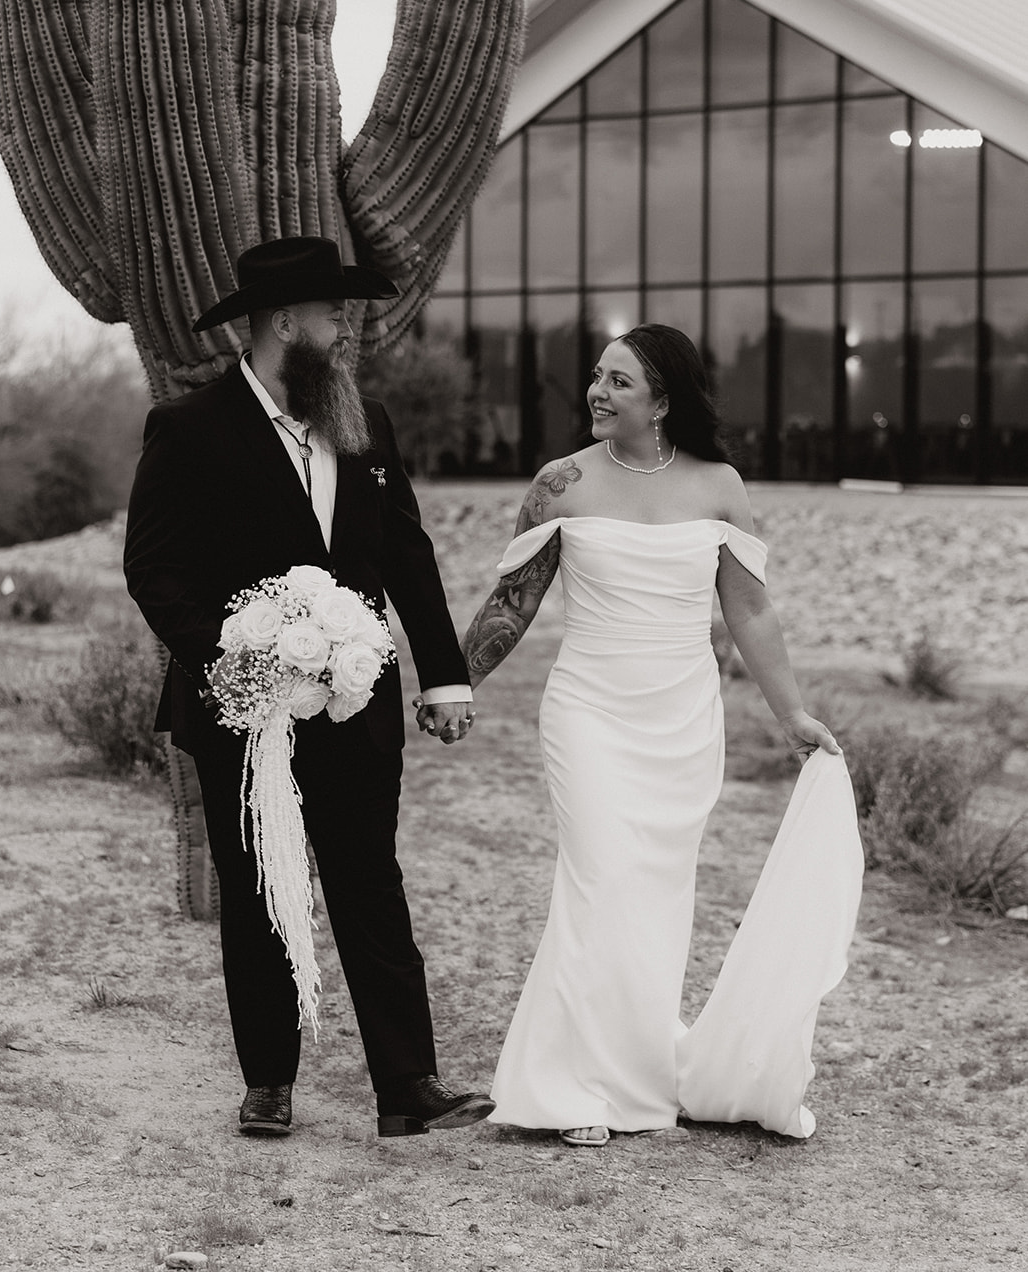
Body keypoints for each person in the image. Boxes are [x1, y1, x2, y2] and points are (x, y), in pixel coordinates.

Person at [454, 324, 863, 1148]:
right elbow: (514, 600)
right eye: (596, 379)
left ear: (664, 401)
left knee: (653, 898)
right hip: (587, 709)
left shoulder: (718, 486)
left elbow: (748, 608)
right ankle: (569, 1088)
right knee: (600, 879)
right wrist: (454, 682)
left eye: (618, 383)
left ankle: (630, 1071)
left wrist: (791, 715)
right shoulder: (560, 482)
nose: (597, 393)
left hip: (680, 718)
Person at [124, 236, 493, 1140]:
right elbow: (154, 567)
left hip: (357, 702)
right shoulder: (190, 426)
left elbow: (405, 552)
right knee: (257, 889)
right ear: (286, 325)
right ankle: (268, 1083)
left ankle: (408, 1086)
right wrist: (241, 653)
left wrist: (444, 675)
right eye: (332, 315)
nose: (342, 328)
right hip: (244, 711)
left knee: (372, 886)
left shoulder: (360, 422)